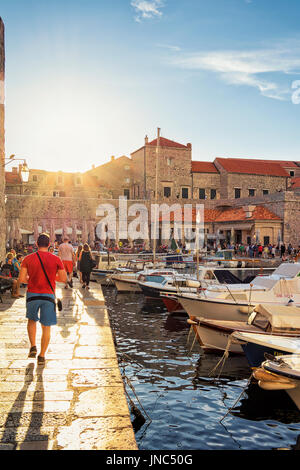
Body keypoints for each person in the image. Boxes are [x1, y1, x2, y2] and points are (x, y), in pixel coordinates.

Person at [19, 233, 67, 364]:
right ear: (50, 244)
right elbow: (63, 279)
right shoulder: (56, 259)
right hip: (48, 296)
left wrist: (30, 278)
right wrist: (53, 278)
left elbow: (22, 279)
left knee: (32, 321)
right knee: (46, 327)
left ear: (36, 244)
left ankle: (33, 346)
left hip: (32, 294)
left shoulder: (27, 259)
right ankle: (41, 355)